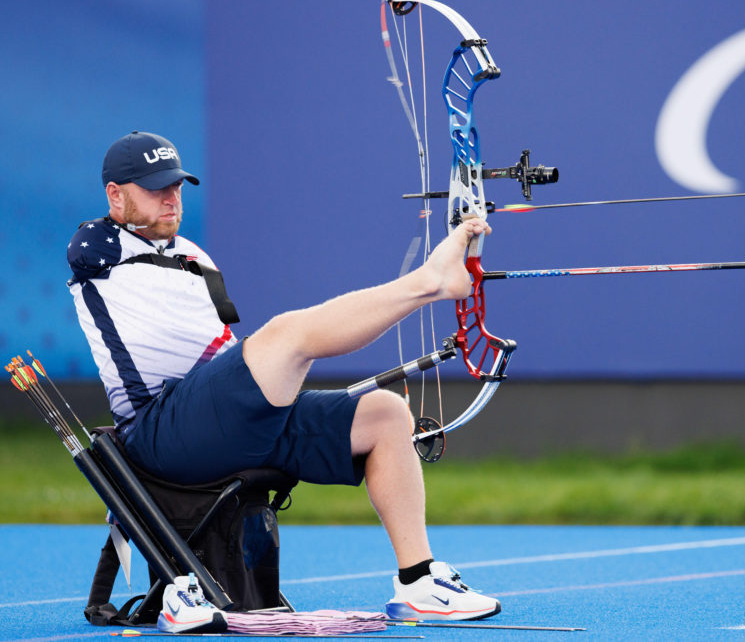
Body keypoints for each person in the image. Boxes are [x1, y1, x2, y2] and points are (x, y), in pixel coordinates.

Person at [68, 130, 500, 621]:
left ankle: (418, 581)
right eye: (154, 188)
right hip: (158, 432)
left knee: (385, 413)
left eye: (177, 186)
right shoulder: (96, 247)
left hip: (222, 422)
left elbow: (221, 354)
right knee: (286, 334)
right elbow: (86, 246)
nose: (171, 197)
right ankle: (429, 282)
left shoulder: (194, 258)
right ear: (115, 195)